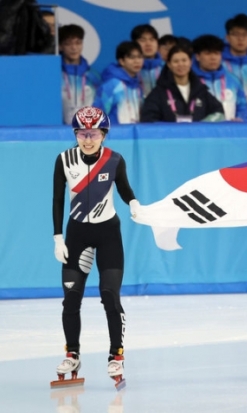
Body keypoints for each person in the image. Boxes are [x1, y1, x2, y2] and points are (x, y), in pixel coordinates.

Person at [52, 106, 141, 387]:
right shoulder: (64, 160)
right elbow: (56, 199)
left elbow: (125, 190)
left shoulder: (114, 160)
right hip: (76, 235)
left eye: (92, 133)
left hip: (108, 235)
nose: (87, 139)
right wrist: (57, 237)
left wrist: (135, 203)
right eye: (81, 133)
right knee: (71, 297)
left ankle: (116, 355)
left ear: (103, 134)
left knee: (109, 296)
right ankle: (72, 353)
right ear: (75, 134)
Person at [140, 43, 225, 122]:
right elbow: (148, 120)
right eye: (176, 61)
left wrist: (201, 126)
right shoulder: (158, 93)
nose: (180, 64)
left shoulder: (201, 91)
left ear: (190, 62)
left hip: (197, 137)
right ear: (169, 65)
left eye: (184, 60)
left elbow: (219, 113)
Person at [191, 34, 247, 121]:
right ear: (197, 56)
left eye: (216, 53)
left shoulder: (233, 81)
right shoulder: (190, 81)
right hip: (200, 132)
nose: (213, 58)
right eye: (208, 53)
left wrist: (241, 119)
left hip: (230, 132)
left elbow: (243, 107)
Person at [93, 41, 144, 125]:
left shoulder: (138, 86)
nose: (137, 61)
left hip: (136, 135)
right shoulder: (112, 85)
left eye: (139, 57)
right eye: (132, 57)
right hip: (115, 135)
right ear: (121, 61)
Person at [59, 24, 101, 124]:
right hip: (59, 131)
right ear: (60, 46)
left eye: (78, 43)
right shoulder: (55, 74)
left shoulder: (93, 75)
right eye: (68, 44)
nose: (74, 48)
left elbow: (101, 104)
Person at [131, 24, 164, 97]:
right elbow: (100, 107)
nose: (148, 44)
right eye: (142, 40)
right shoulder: (126, 72)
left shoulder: (168, 69)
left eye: (152, 40)